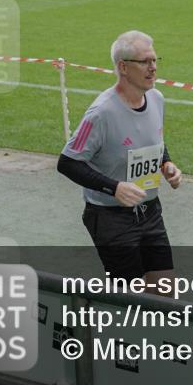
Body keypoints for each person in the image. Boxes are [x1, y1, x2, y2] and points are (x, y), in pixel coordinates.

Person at [57, 30, 183, 286]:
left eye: (155, 60)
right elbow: (67, 162)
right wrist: (114, 188)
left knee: (164, 290)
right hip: (110, 218)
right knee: (129, 299)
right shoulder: (101, 113)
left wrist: (166, 164)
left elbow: (152, 139)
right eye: (145, 62)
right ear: (123, 67)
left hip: (150, 212)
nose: (153, 68)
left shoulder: (156, 99)